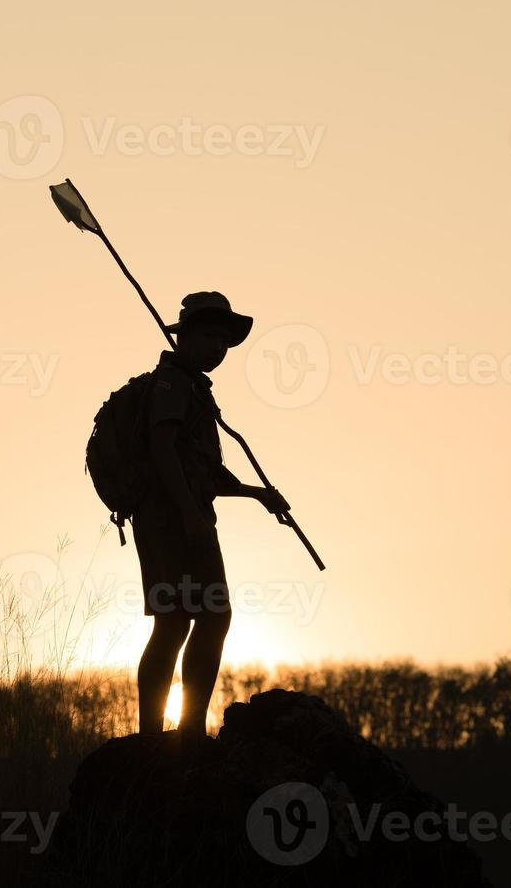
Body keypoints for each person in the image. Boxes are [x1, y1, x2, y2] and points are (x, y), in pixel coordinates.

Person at [133, 291, 290, 741]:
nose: (218, 348)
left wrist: (257, 495)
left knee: (183, 619)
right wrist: (188, 514)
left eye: (224, 340)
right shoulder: (173, 385)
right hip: (172, 522)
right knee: (191, 618)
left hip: (185, 516)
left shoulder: (193, 390)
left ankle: (177, 731)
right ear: (185, 337)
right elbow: (162, 450)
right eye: (208, 336)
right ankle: (176, 733)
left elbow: (204, 471)